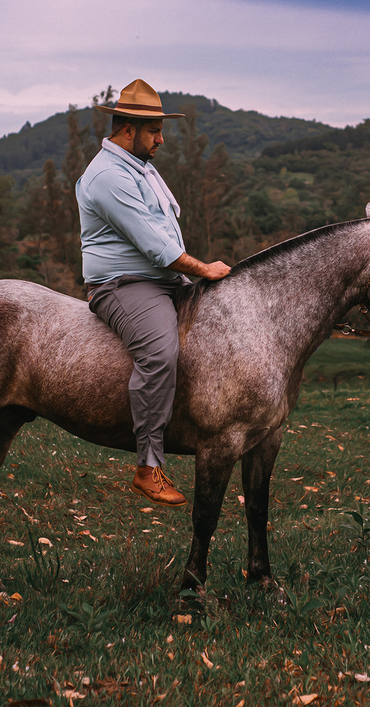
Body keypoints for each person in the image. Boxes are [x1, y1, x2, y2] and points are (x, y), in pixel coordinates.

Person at [76, 79, 232, 507]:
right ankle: (147, 466)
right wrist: (203, 269)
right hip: (124, 284)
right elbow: (157, 247)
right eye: (154, 131)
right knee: (160, 352)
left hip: (161, 278)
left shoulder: (139, 166)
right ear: (128, 130)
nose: (161, 139)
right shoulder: (108, 176)